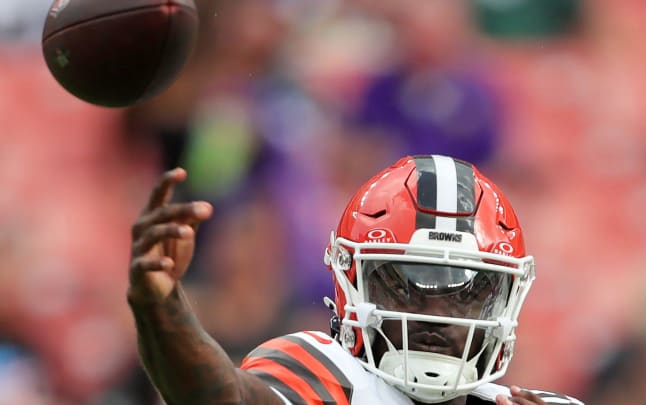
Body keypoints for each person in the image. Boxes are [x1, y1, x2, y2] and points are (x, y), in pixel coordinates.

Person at [127, 155, 584, 405]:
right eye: (405, 284)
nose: (436, 312)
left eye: (468, 291)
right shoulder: (327, 378)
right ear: (352, 280)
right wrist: (161, 308)